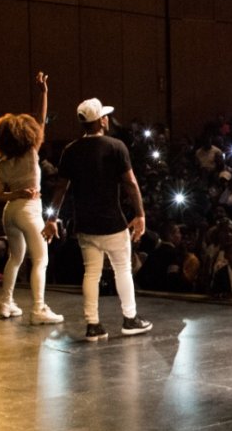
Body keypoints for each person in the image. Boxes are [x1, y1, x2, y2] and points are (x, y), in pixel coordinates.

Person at [42, 97, 152, 341]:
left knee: (91, 273)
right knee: (122, 269)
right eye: (106, 116)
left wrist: (51, 218)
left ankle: (93, 325)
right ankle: (130, 319)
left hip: (85, 225)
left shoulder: (70, 150)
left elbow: (60, 188)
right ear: (101, 120)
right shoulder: (116, 146)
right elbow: (131, 184)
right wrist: (140, 214)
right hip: (112, 221)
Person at [0, 71, 63, 323]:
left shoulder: (2, 163)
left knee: (15, 257)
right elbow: (41, 119)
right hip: (29, 210)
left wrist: (16, 193)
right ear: (26, 135)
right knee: (41, 258)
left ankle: (5, 304)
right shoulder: (31, 153)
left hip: (9, 211)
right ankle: (39, 309)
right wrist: (43, 92)